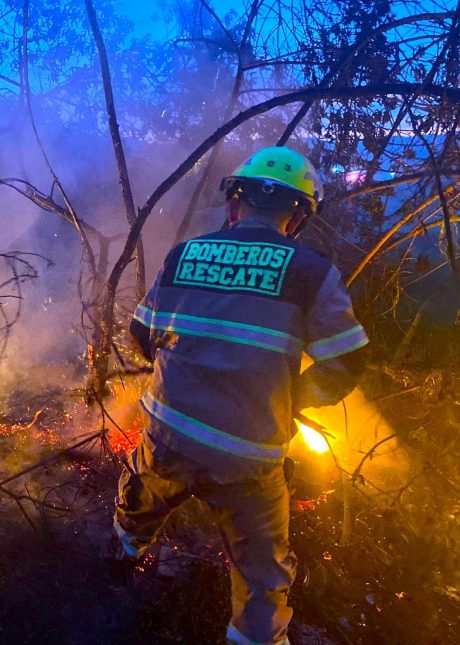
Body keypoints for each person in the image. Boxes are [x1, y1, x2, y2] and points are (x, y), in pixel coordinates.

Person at [113, 147, 369, 645]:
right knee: (261, 580)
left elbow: (141, 333)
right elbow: (348, 359)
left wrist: (181, 364)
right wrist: (290, 397)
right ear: (296, 216)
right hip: (248, 457)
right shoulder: (310, 271)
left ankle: (122, 559)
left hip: (170, 434)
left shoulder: (185, 254)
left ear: (235, 203)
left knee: (137, 506)